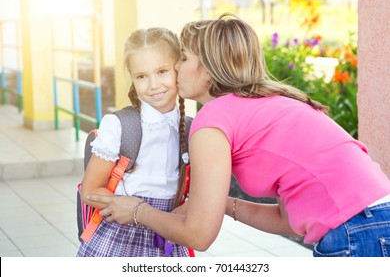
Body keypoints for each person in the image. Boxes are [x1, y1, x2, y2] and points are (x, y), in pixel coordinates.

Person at [86, 14, 390, 257]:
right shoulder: (266, 104)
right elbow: (288, 219)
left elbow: (199, 236)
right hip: (377, 220)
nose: (175, 68)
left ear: (206, 68)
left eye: (183, 58)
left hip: (358, 232)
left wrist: (138, 211)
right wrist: (224, 205)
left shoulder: (212, 120)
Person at [77, 27, 191, 257]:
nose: (153, 85)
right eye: (141, 76)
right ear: (132, 78)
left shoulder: (191, 129)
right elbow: (89, 191)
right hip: (121, 236)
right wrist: (136, 210)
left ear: (178, 68)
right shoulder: (120, 125)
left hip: (169, 234)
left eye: (162, 71)